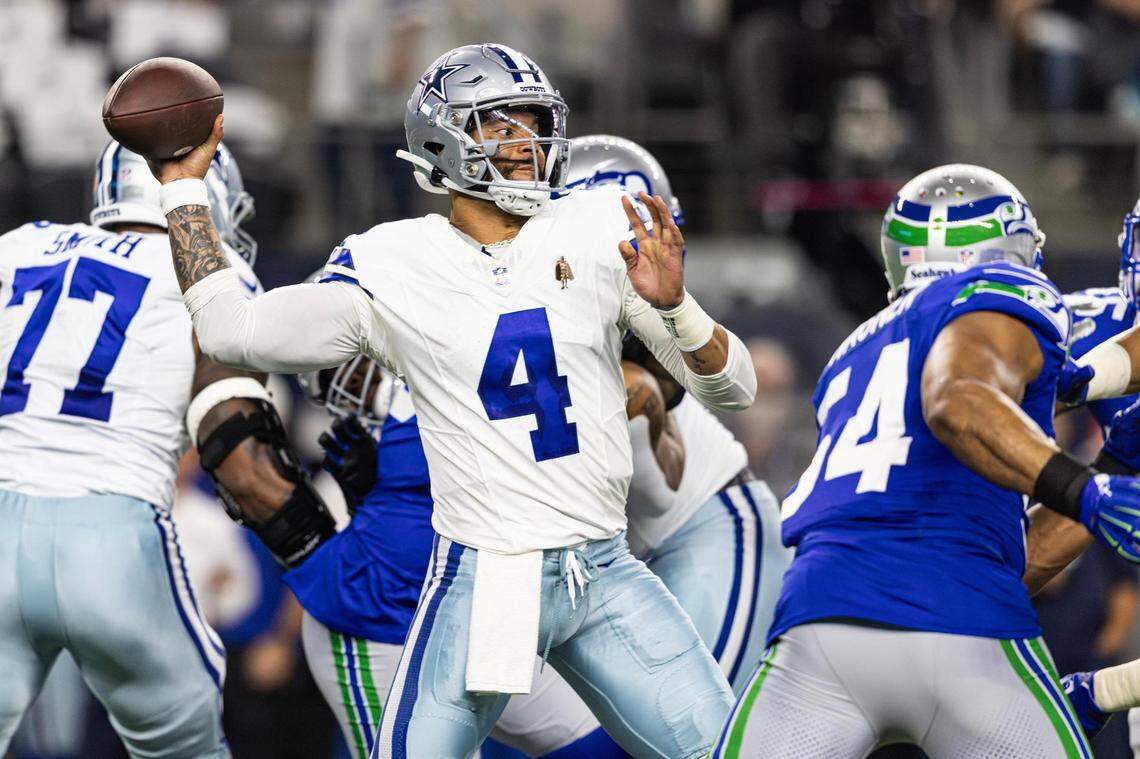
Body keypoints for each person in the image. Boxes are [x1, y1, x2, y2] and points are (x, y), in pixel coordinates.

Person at [148, 43, 755, 759]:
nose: (528, 143)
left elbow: (734, 387)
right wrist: (183, 191)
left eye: (535, 122)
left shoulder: (591, 233)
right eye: (503, 125)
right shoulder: (392, 262)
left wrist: (678, 307)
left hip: (602, 570)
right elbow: (230, 329)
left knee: (732, 749)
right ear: (444, 139)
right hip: (486, 577)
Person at [712, 164, 1140, 758]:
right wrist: (1088, 491)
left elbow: (1012, 556)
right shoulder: (1010, 297)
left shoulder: (855, 351)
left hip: (818, 625)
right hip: (966, 625)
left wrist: (1108, 461)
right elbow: (959, 404)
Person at [0, 141, 335, 758]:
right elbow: (238, 457)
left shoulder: (18, 247)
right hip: (113, 537)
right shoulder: (214, 276)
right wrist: (317, 546)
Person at [289, 309, 627, 759]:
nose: (353, 395)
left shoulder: (450, 354)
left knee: (603, 738)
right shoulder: (400, 413)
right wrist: (373, 494)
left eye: (346, 375)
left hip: (478, 610)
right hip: (382, 617)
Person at [566, 134, 793, 694]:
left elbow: (719, 396)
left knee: (697, 732)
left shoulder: (647, 331)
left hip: (707, 530)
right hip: (629, 558)